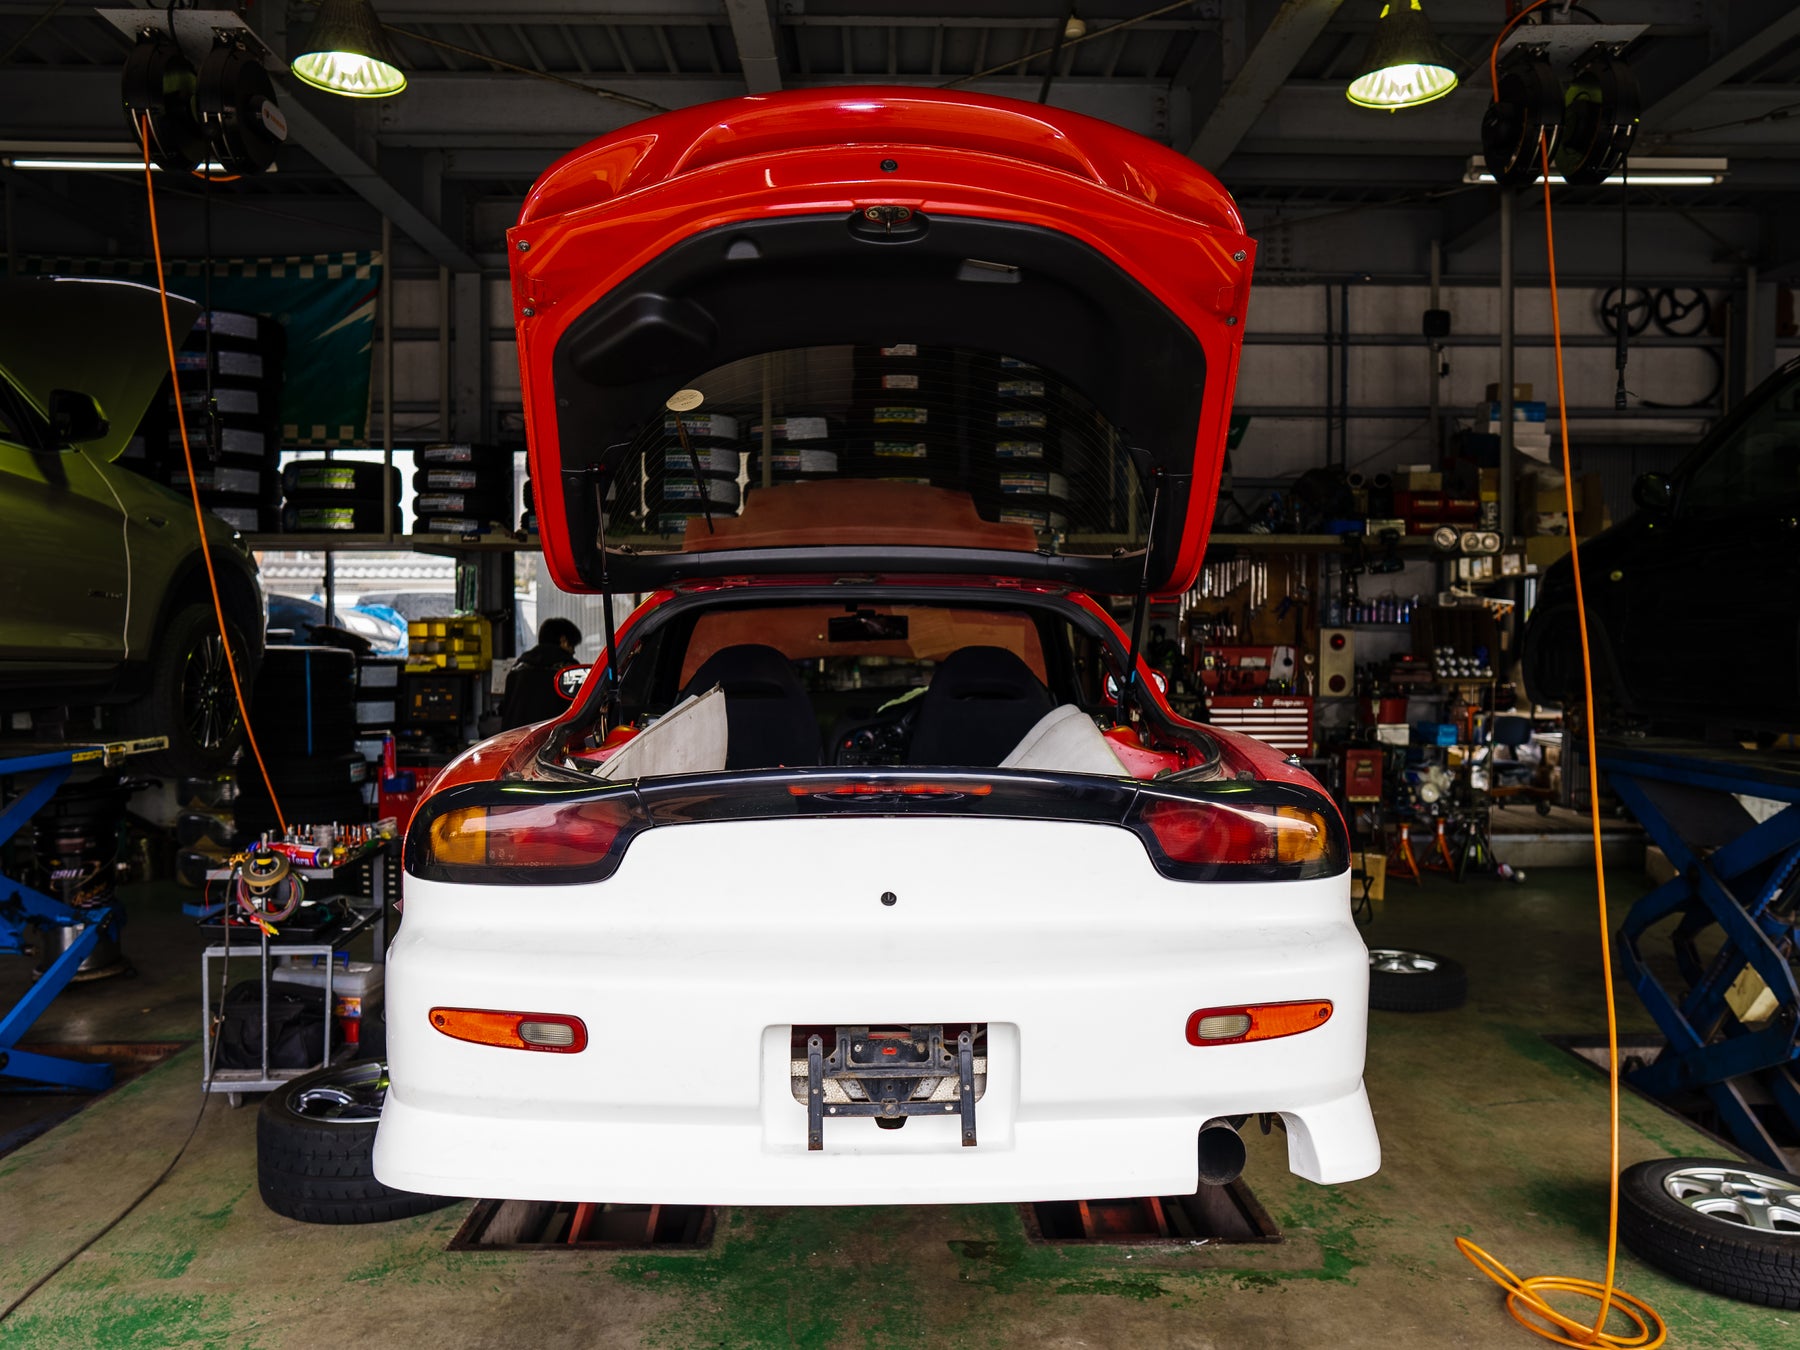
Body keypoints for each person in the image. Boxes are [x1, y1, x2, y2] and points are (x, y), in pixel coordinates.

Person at [501, 618, 584, 729]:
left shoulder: (518, 667)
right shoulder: (568, 669)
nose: (573, 651)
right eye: (572, 645)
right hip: (551, 736)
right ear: (563, 640)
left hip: (516, 736)